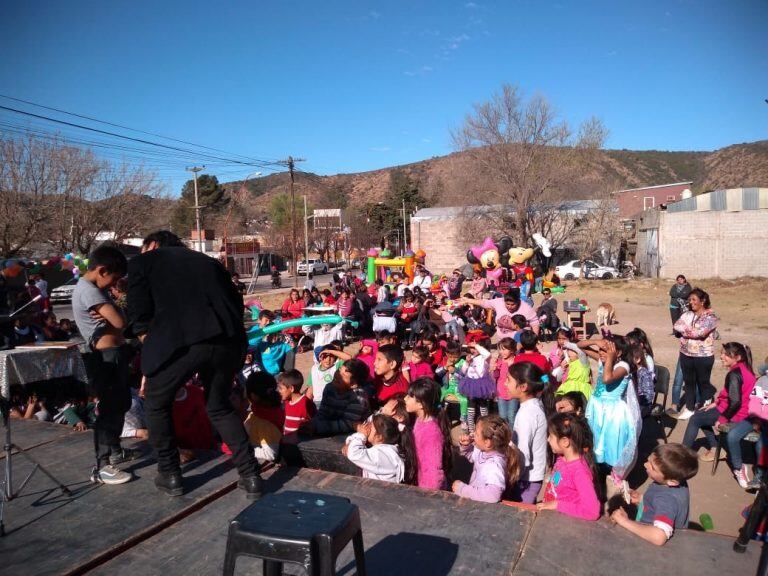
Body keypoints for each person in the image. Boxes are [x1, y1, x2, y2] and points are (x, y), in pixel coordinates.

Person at [127, 230, 262, 498]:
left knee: (156, 400)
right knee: (219, 406)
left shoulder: (144, 262)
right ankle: (251, 475)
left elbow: (139, 316)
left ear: (152, 245)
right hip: (229, 339)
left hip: (182, 340)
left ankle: (170, 473)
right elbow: (236, 304)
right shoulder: (209, 261)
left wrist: (152, 356)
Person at [72, 245, 135, 485]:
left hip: (114, 353)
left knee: (121, 404)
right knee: (109, 409)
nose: (113, 285)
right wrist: (118, 309)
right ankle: (102, 464)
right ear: (102, 270)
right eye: (113, 278)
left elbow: (118, 319)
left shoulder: (92, 289)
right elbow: (120, 321)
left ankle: (115, 450)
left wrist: (116, 308)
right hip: (105, 356)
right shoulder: (89, 291)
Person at [682, 342, 756, 488]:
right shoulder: (745, 369)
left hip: (737, 414)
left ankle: (682, 456)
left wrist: (722, 419)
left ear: (737, 357)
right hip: (735, 410)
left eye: (726, 354)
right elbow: (733, 396)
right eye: (722, 353)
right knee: (701, 413)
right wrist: (716, 403)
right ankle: (715, 446)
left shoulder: (734, 374)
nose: (722, 356)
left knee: (695, 418)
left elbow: (735, 402)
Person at [580, 337, 641, 487]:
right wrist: (596, 341)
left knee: (610, 444)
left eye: (605, 350)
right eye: (600, 350)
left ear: (617, 352)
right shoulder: (604, 360)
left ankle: (613, 477)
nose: (600, 352)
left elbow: (607, 379)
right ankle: (598, 475)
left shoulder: (623, 366)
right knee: (596, 440)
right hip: (598, 409)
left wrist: (611, 358)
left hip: (613, 413)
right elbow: (579, 346)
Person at [610, 444, 699, 546]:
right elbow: (665, 505)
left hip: (648, 545)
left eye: (652, 467)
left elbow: (658, 537)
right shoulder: (678, 481)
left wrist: (624, 521)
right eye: (648, 460)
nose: (645, 465)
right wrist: (642, 500)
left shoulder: (666, 500)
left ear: (672, 482)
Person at [537, 412, 601, 521]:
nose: (548, 440)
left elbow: (592, 511)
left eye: (551, 436)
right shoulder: (562, 459)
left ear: (565, 442)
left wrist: (558, 505)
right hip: (552, 519)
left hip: (566, 524)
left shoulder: (579, 472)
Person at [673, 288, 719, 420]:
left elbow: (701, 333)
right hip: (686, 353)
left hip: (703, 356)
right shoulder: (687, 314)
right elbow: (677, 325)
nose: (690, 302)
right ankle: (689, 408)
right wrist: (690, 330)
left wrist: (686, 330)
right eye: (689, 300)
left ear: (702, 301)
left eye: (694, 300)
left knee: (703, 382)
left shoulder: (711, 317)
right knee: (689, 382)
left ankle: (705, 408)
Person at [452, 414, 520, 503]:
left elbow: (493, 495)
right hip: (476, 502)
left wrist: (462, 489)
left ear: (487, 442)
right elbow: (471, 456)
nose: (472, 434)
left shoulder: (494, 465)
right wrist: (466, 446)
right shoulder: (483, 451)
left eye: (476, 433)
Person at [506, 363, 548, 504]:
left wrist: (511, 477)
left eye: (509, 380)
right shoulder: (532, 405)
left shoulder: (527, 414)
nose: (505, 384)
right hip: (529, 477)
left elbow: (523, 454)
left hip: (526, 480)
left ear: (523, 387)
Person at [405, 378, 452, 490]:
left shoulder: (432, 433)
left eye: (410, 396)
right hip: (420, 481)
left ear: (421, 404)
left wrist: (427, 495)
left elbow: (434, 471)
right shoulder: (420, 419)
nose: (405, 399)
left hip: (427, 489)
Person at [343, 414, 416, 484]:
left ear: (379, 437)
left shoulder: (384, 455)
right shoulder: (381, 448)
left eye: (369, 427)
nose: (365, 428)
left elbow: (353, 453)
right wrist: (353, 440)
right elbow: (352, 447)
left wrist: (361, 435)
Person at [311, 359, 372, 436]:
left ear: (353, 384)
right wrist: (313, 423)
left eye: (343, 375)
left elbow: (349, 424)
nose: (338, 375)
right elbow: (323, 412)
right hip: (332, 427)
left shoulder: (358, 397)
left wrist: (318, 427)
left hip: (352, 434)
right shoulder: (330, 388)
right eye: (339, 370)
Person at [462, 289, 540, 338]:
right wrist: (468, 300)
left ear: (518, 302)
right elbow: (484, 303)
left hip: (520, 341)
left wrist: (534, 339)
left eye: (513, 304)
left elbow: (535, 322)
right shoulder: (499, 302)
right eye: (507, 304)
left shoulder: (526, 308)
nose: (510, 307)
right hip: (503, 342)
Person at [457, 341, 495, 435]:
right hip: (470, 385)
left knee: (483, 409)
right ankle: (471, 430)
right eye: (471, 348)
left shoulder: (484, 358)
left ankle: (485, 427)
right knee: (471, 410)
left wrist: (477, 345)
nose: (473, 350)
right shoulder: (470, 358)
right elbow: (463, 371)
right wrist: (467, 362)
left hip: (482, 386)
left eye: (475, 348)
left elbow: (487, 354)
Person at [277, 369, 316, 441]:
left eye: (281, 388)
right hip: (287, 442)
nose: (279, 391)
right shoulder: (286, 402)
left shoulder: (306, 404)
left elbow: (314, 423)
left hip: (300, 445)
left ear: (291, 388)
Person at [494, 338, 518, 429]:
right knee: (502, 416)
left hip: (513, 393)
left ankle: (513, 438)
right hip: (501, 392)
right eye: (500, 349)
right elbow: (496, 376)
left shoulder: (516, 361)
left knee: (511, 416)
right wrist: (495, 368)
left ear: (511, 350)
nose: (501, 352)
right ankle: (505, 436)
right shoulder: (499, 362)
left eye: (504, 349)